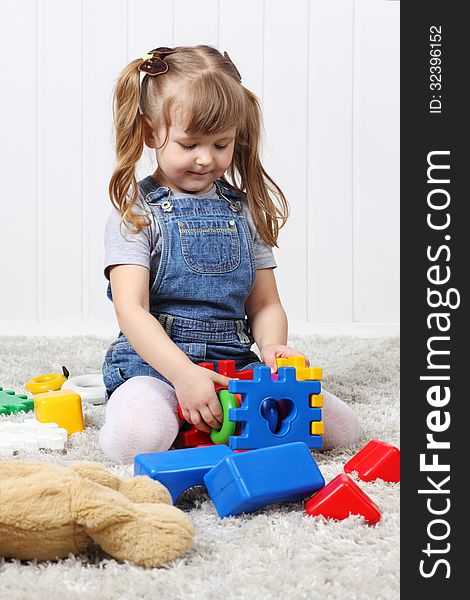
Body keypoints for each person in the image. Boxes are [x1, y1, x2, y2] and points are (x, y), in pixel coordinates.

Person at [99, 45, 360, 463]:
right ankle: (158, 414)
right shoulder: (136, 213)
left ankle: (205, 423)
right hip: (158, 371)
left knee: (342, 429)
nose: (206, 159)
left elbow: (265, 303)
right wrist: (184, 375)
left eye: (221, 144)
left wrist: (273, 346)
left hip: (234, 369)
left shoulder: (243, 210)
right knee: (137, 438)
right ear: (151, 133)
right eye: (189, 144)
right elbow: (132, 311)